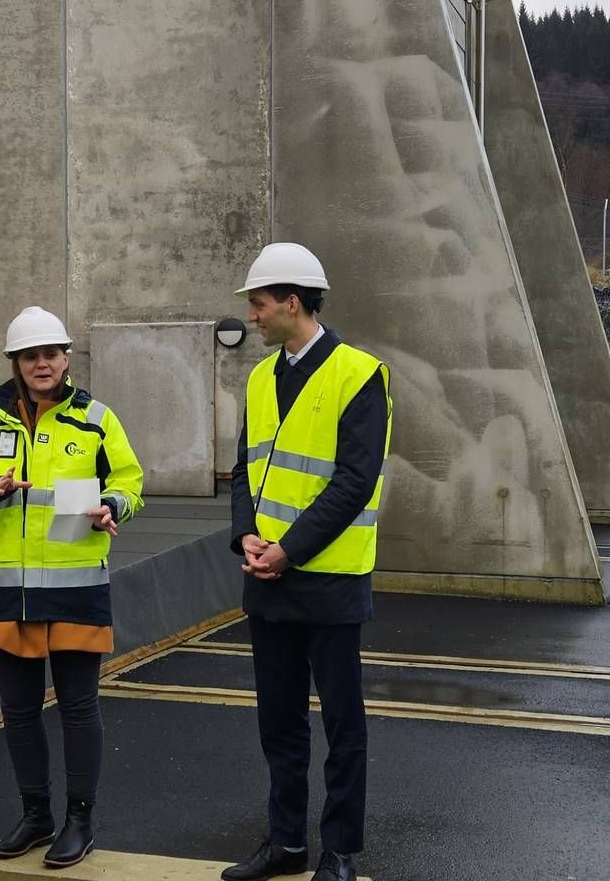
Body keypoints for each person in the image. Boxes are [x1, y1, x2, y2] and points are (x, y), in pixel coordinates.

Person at [0, 306, 144, 869]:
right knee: (19, 711)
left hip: (77, 586)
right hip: (10, 588)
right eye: (30, 356)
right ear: (15, 362)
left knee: (79, 707)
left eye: (50, 354)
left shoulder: (96, 419)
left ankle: (80, 820)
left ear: (66, 358)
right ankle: (36, 816)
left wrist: (113, 507)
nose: (41, 364)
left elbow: (131, 482)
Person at [222, 244, 392, 881]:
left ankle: (340, 852)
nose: (253, 315)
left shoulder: (359, 374)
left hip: (330, 580)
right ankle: (286, 843)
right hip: (267, 578)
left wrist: (287, 550)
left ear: (292, 302)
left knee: (342, 726)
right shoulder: (261, 377)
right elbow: (246, 469)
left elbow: (354, 481)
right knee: (279, 723)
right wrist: (245, 537)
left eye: (259, 304)